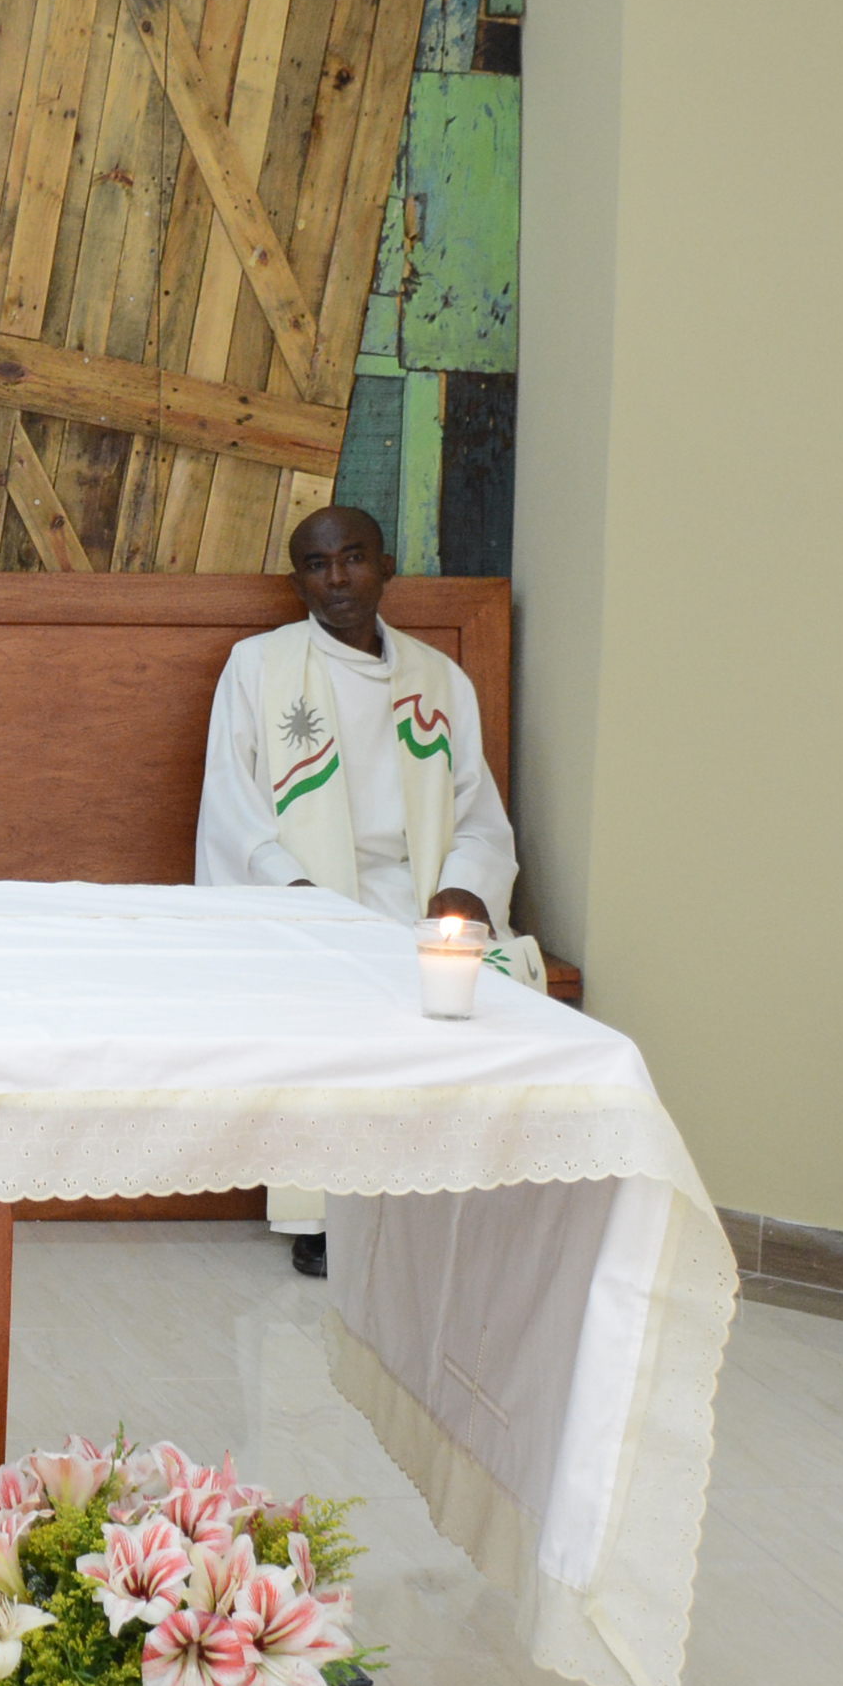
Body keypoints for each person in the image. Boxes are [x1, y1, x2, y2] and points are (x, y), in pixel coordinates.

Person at [197, 503, 522, 1272]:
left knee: (481, 987)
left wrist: (464, 888)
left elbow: (477, 816)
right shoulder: (259, 667)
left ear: (386, 568)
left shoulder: (439, 680)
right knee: (322, 994)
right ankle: (330, 1212)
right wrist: (297, 892)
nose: (337, 578)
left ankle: (438, 1204)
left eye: (353, 558)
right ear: (297, 582)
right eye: (317, 564)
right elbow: (232, 810)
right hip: (304, 894)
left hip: (417, 894)